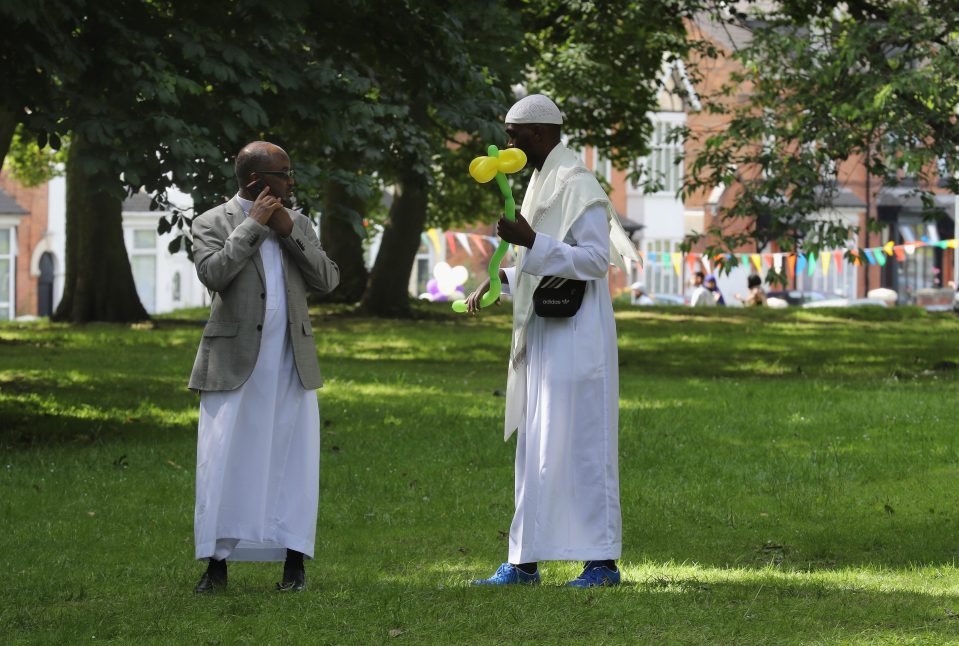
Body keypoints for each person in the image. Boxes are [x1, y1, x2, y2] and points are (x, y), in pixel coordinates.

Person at [465, 94, 637, 588]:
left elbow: (592, 261)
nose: (507, 143)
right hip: (543, 334)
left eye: (513, 133)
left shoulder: (576, 183)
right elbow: (539, 258)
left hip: (578, 337)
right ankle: (524, 562)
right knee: (537, 446)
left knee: (582, 444)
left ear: (539, 134)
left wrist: (529, 243)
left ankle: (600, 564)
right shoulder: (542, 180)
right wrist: (498, 276)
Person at [188, 141, 340, 593]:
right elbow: (213, 274)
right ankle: (216, 566)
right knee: (224, 461)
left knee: (293, 461)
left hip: (292, 362)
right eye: (284, 173)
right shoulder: (211, 222)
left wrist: (288, 230)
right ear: (257, 182)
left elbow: (327, 280)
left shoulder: (301, 223)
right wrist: (253, 226)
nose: (291, 181)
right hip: (233, 364)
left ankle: (293, 564)